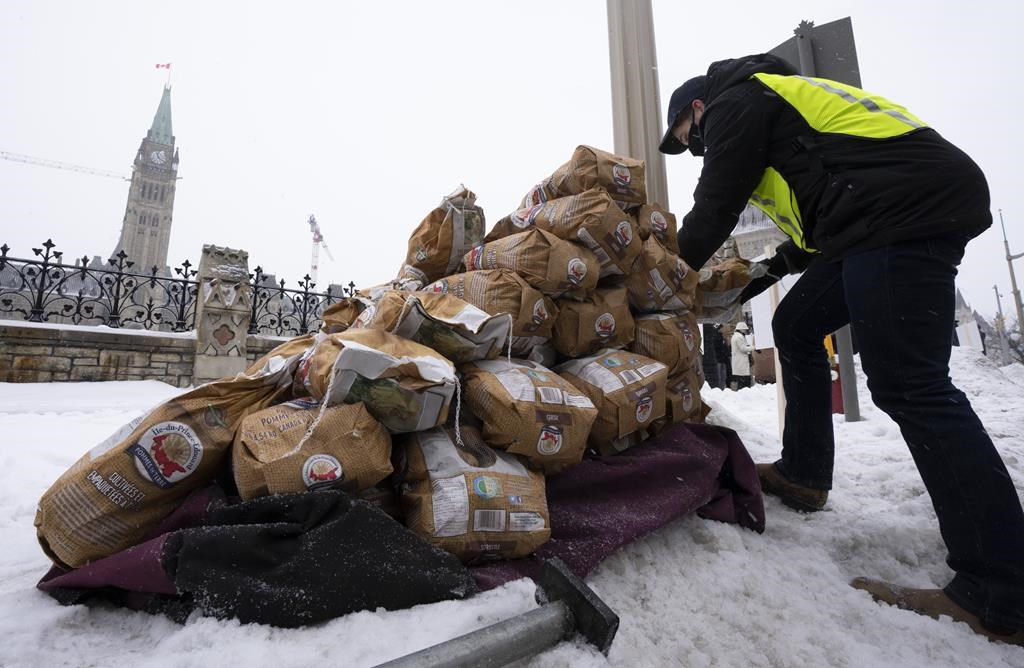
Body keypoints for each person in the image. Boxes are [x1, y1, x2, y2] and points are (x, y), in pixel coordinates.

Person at [659, 53, 1024, 643]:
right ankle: (805, 472)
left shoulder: (737, 100)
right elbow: (812, 237)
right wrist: (750, 281)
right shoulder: (788, 122)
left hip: (902, 211)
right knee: (798, 325)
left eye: (689, 139)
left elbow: (716, 204)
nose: (698, 148)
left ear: (697, 110)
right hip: (876, 217)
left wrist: (661, 280)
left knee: (911, 384)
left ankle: (1001, 590)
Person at [729, 322, 753, 389]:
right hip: (741, 362)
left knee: (741, 381)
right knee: (744, 382)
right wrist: (753, 347)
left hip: (739, 362)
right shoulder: (739, 337)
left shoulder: (736, 336)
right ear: (741, 329)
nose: (745, 331)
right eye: (744, 329)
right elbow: (743, 348)